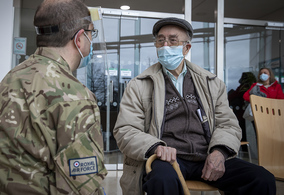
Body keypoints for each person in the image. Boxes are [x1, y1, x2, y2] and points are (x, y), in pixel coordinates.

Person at [113, 17, 276, 195]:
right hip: (167, 160)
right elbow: (125, 130)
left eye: (172, 40)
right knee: (162, 179)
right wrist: (156, 147)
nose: (165, 45)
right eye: (160, 40)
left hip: (207, 156)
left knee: (261, 178)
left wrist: (219, 152)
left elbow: (228, 124)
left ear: (186, 48)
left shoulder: (211, 83)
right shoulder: (139, 84)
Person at [0, 0, 107, 194]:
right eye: (92, 33)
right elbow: (82, 186)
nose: (92, 39)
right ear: (80, 38)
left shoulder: (9, 80)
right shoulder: (75, 97)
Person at [228, 72, 256, 145]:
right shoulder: (254, 87)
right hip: (252, 114)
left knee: (243, 135)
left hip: (242, 114)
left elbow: (232, 96)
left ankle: (245, 152)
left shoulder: (244, 87)